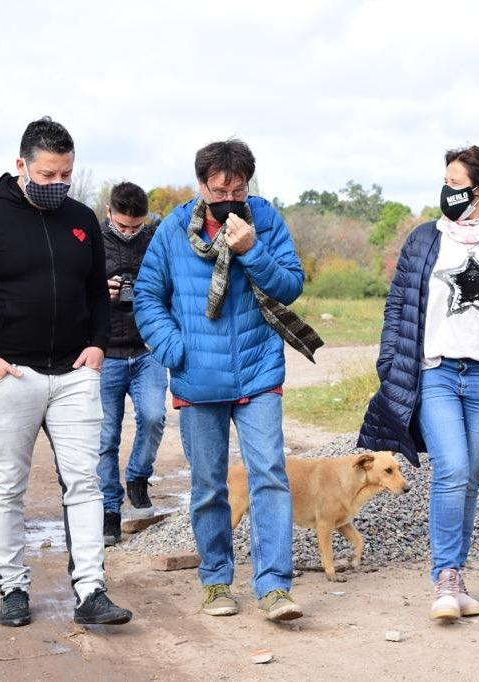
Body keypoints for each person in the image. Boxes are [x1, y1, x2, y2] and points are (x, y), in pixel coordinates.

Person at [0, 117, 132, 628]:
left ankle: (91, 591)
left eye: (65, 174)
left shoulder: (82, 217)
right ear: (21, 165)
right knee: (8, 487)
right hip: (10, 374)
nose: (56, 184)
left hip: (74, 374)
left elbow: (96, 293)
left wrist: (96, 346)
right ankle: (14, 588)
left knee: (84, 482)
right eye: (47, 174)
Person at [358, 145, 479, 622]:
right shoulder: (425, 239)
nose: (447, 191)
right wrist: (390, 364)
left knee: (469, 480)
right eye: (446, 182)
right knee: (452, 468)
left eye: (456, 184)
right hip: (436, 373)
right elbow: (398, 304)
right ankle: (444, 576)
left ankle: (457, 577)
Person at [134, 139, 322, 622]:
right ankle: (217, 581)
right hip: (199, 379)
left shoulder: (266, 220)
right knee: (209, 486)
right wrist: (178, 351)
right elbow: (149, 299)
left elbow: (290, 286)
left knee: (270, 478)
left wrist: (252, 251)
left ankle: (275, 587)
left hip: (258, 372)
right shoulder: (173, 230)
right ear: (202, 185)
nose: (229, 197)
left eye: (238, 189)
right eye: (220, 189)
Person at [98, 182, 167, 546]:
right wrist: (98, 289)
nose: (128, 233)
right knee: (105, 436)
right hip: (105, 351)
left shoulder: (156, 239)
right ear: (109, 212)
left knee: (154, 417)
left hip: (148, 348)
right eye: (122, 226)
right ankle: (109, 508)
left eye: (135, 227)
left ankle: (138, 479)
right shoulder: (91, 239)